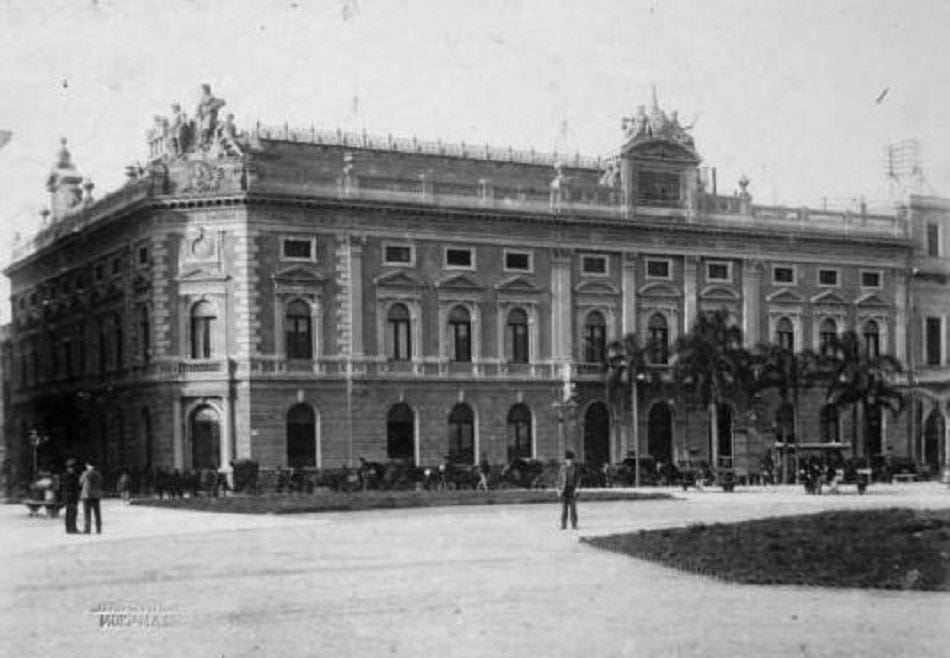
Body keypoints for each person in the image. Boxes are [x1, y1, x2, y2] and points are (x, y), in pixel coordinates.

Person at [556, 451, 580, 530]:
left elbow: (578, 479)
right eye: (567, 460)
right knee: (564, 509)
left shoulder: (575, 469)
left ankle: (574, 525)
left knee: (573, 509)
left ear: (573, 460)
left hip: (572, 490)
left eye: (570, 460)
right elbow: (559, 480)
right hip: (564, 490)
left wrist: (577, 488)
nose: (569, 461)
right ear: (565, 460)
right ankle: (563, 525)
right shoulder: (562, 469)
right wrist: (558, 489)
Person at [79, 462, 104, 534]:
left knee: (87, 513)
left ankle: (87, 528)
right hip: (96, 495)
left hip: (87, 495)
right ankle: (98, 528)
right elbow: (101, 482)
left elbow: (80, 482)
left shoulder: (85, 473)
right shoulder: (98, 474)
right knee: (97, 513)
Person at [60, 459, 81, 534]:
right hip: (69, 497)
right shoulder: (66, 476)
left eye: (72, 467)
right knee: (69, 513)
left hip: (74, 497)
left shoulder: (74, 475)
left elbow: (77, 487)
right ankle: (69, 528)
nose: (71, 469)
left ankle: (73, 527)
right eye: (70, 467)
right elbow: (65, 487)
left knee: (74, 512)